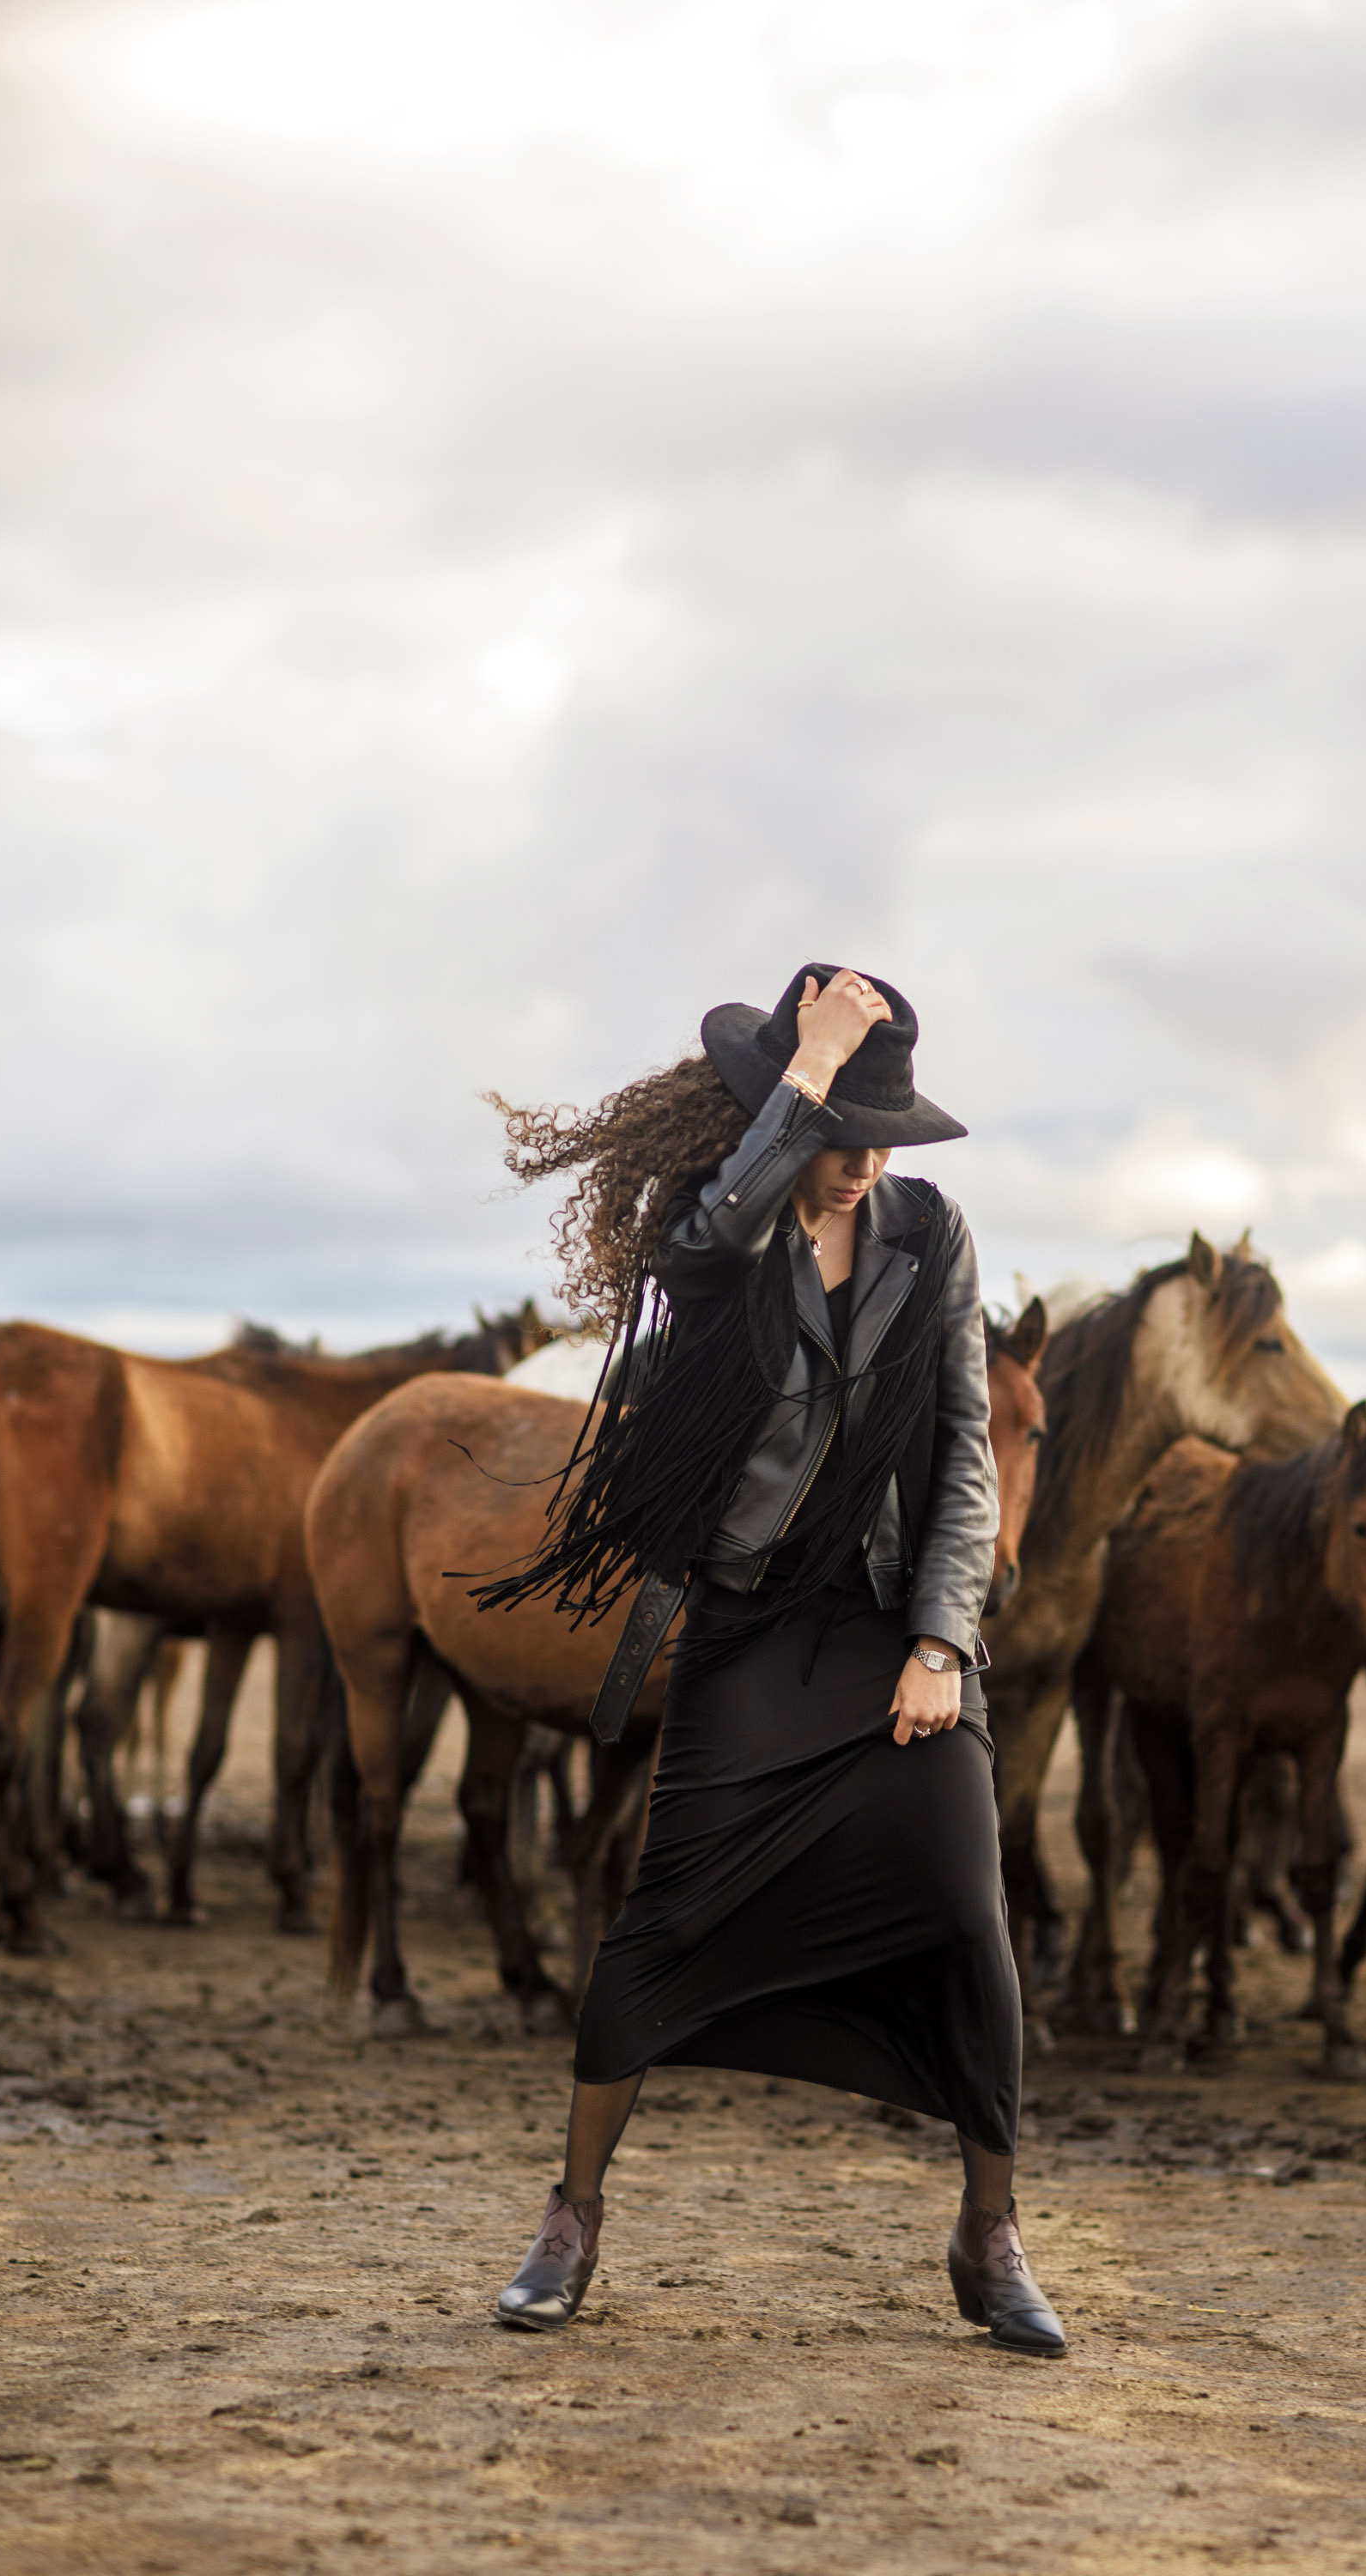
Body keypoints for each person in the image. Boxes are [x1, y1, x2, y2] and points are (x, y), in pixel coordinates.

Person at [478, 963, 1064, 2356]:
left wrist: (939, 1639)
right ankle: (572, 2217)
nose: (864, 1163)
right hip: (750, 1629)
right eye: (840, 1132)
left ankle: (990, 2235)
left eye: (883, 1136)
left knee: (969, 1917)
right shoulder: (731, 1234)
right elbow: (692, 1248)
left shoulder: (935, 1235)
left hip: (894, 1637)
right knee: (663, 1920)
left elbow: (965, 1450)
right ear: (788, 1114)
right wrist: (801, 1082)